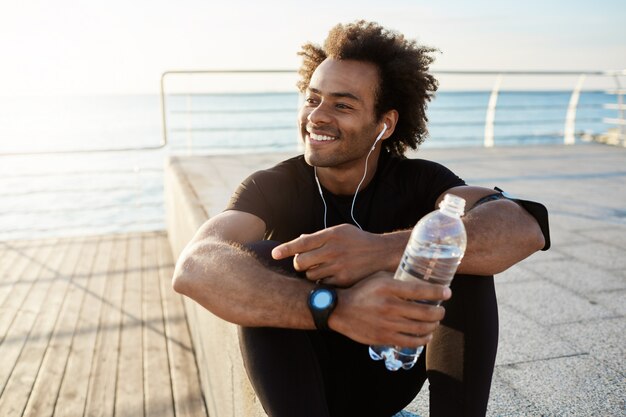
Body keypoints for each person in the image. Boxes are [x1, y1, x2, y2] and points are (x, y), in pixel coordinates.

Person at [172, 20, 548, 417]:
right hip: (303, 385)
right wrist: (336, 306)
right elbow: (195, 266)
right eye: (312, 98)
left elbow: (524, 226)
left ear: (384, 124)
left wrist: (378, 250)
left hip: (388, 373)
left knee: (460, 250)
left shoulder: (420, 182)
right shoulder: (272, 187)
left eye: (342, 104)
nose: (317, 116)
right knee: (265, 259)